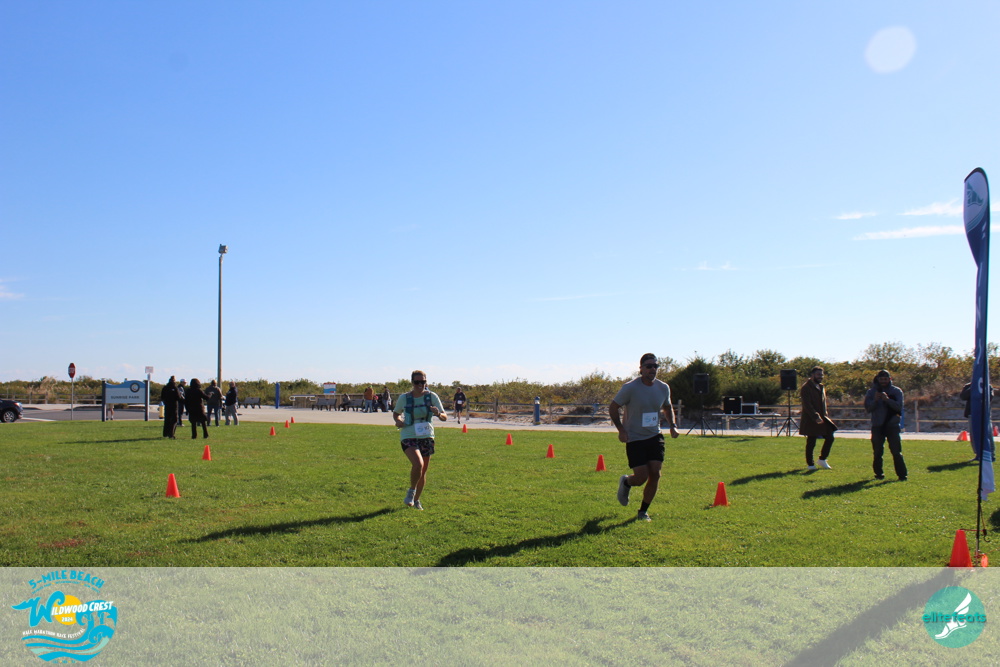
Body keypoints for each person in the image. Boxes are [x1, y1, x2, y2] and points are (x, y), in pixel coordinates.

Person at [609, 353, 679, 522]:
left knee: (655, 474)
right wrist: (621, 429)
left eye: (655, 366)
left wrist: (673, 425)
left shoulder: (663, 388)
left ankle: (643, 512)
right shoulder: (630, 388)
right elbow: (613, 407)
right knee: (641, 478)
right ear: (641, 369)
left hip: (655, 436)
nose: (652, 369)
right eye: (648, 366)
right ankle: (626, 482)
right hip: (634, 438)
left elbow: (667, 407)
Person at [393, 370, 447, 510]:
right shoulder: (404, 398)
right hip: (409, 434)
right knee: (418, 464)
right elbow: (396, 413)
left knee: (422, 471)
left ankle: (416, 500)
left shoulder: (432, 396)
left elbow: (444, 417)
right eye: (417, 382)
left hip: (426, 435)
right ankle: (411, 492)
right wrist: (398, 421)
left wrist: (438, 413)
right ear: (412, 383)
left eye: (423, 382)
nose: (420, 385)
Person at [864, 370, 907, 481]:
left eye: (885, 379)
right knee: (877, 452)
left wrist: (887, 400)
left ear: (890, 379)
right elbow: (868, 409)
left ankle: (902, 475)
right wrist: (875, 400)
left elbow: (899, 407)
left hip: (892, 426)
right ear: (877, 379)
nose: (883, 381)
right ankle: (878, 474)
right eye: (881, 379)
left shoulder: (896, 391)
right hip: (877, 426)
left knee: (896, 452)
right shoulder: (871, 392)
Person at [799, 366, 836, 470]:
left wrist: (825, 414)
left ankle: (822, 459)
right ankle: (810, 464)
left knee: (830, 437)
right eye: (818, 374)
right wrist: (815, 416)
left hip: (823, 418)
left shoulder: (821, 386)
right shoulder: (806, 387)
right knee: (811, 441)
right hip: (811, 418)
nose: (821, 377)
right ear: (812, 375)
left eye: (822, 375)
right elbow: (807, 404)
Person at [960, 381, 995, 462]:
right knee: (974, 435)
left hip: (984, 414)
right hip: (972, 413)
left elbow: (990, 397)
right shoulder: (968, 386)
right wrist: (973, 387)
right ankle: (978, 454)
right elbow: (963, 397)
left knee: (987, 434)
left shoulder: (988, 385)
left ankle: (991, 454)